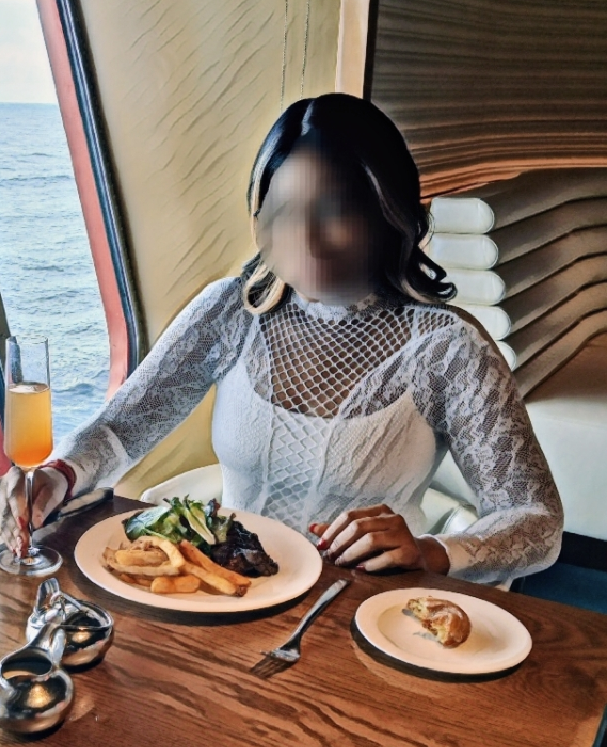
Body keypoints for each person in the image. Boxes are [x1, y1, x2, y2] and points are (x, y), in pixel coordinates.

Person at [28, 93, 562, 584]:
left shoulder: (448, 349)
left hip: (363, 611)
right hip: (229, 597)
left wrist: (432, 551)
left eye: (335, 211)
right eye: (284, 212)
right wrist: (60, 473)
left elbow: (537, 522)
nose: (305, 239)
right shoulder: (232, 309)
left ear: (388, 215)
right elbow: (124, 425)